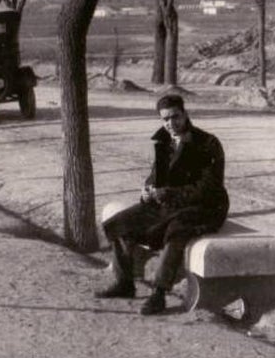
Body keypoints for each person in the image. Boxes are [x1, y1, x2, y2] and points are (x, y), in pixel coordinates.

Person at [95, 93, 228, 315]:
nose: (170, 124)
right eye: (165, 119)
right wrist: (147, 190)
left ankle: (159, 294)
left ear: (185, 114)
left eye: (175, 117)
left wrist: (168, 193)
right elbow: (156, 175)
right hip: (169, 202)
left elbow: (208, 188)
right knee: (120, 223)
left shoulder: (208, 143)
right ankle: (125, 283)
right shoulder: (164, 140)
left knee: (176, 231)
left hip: (205, 207)